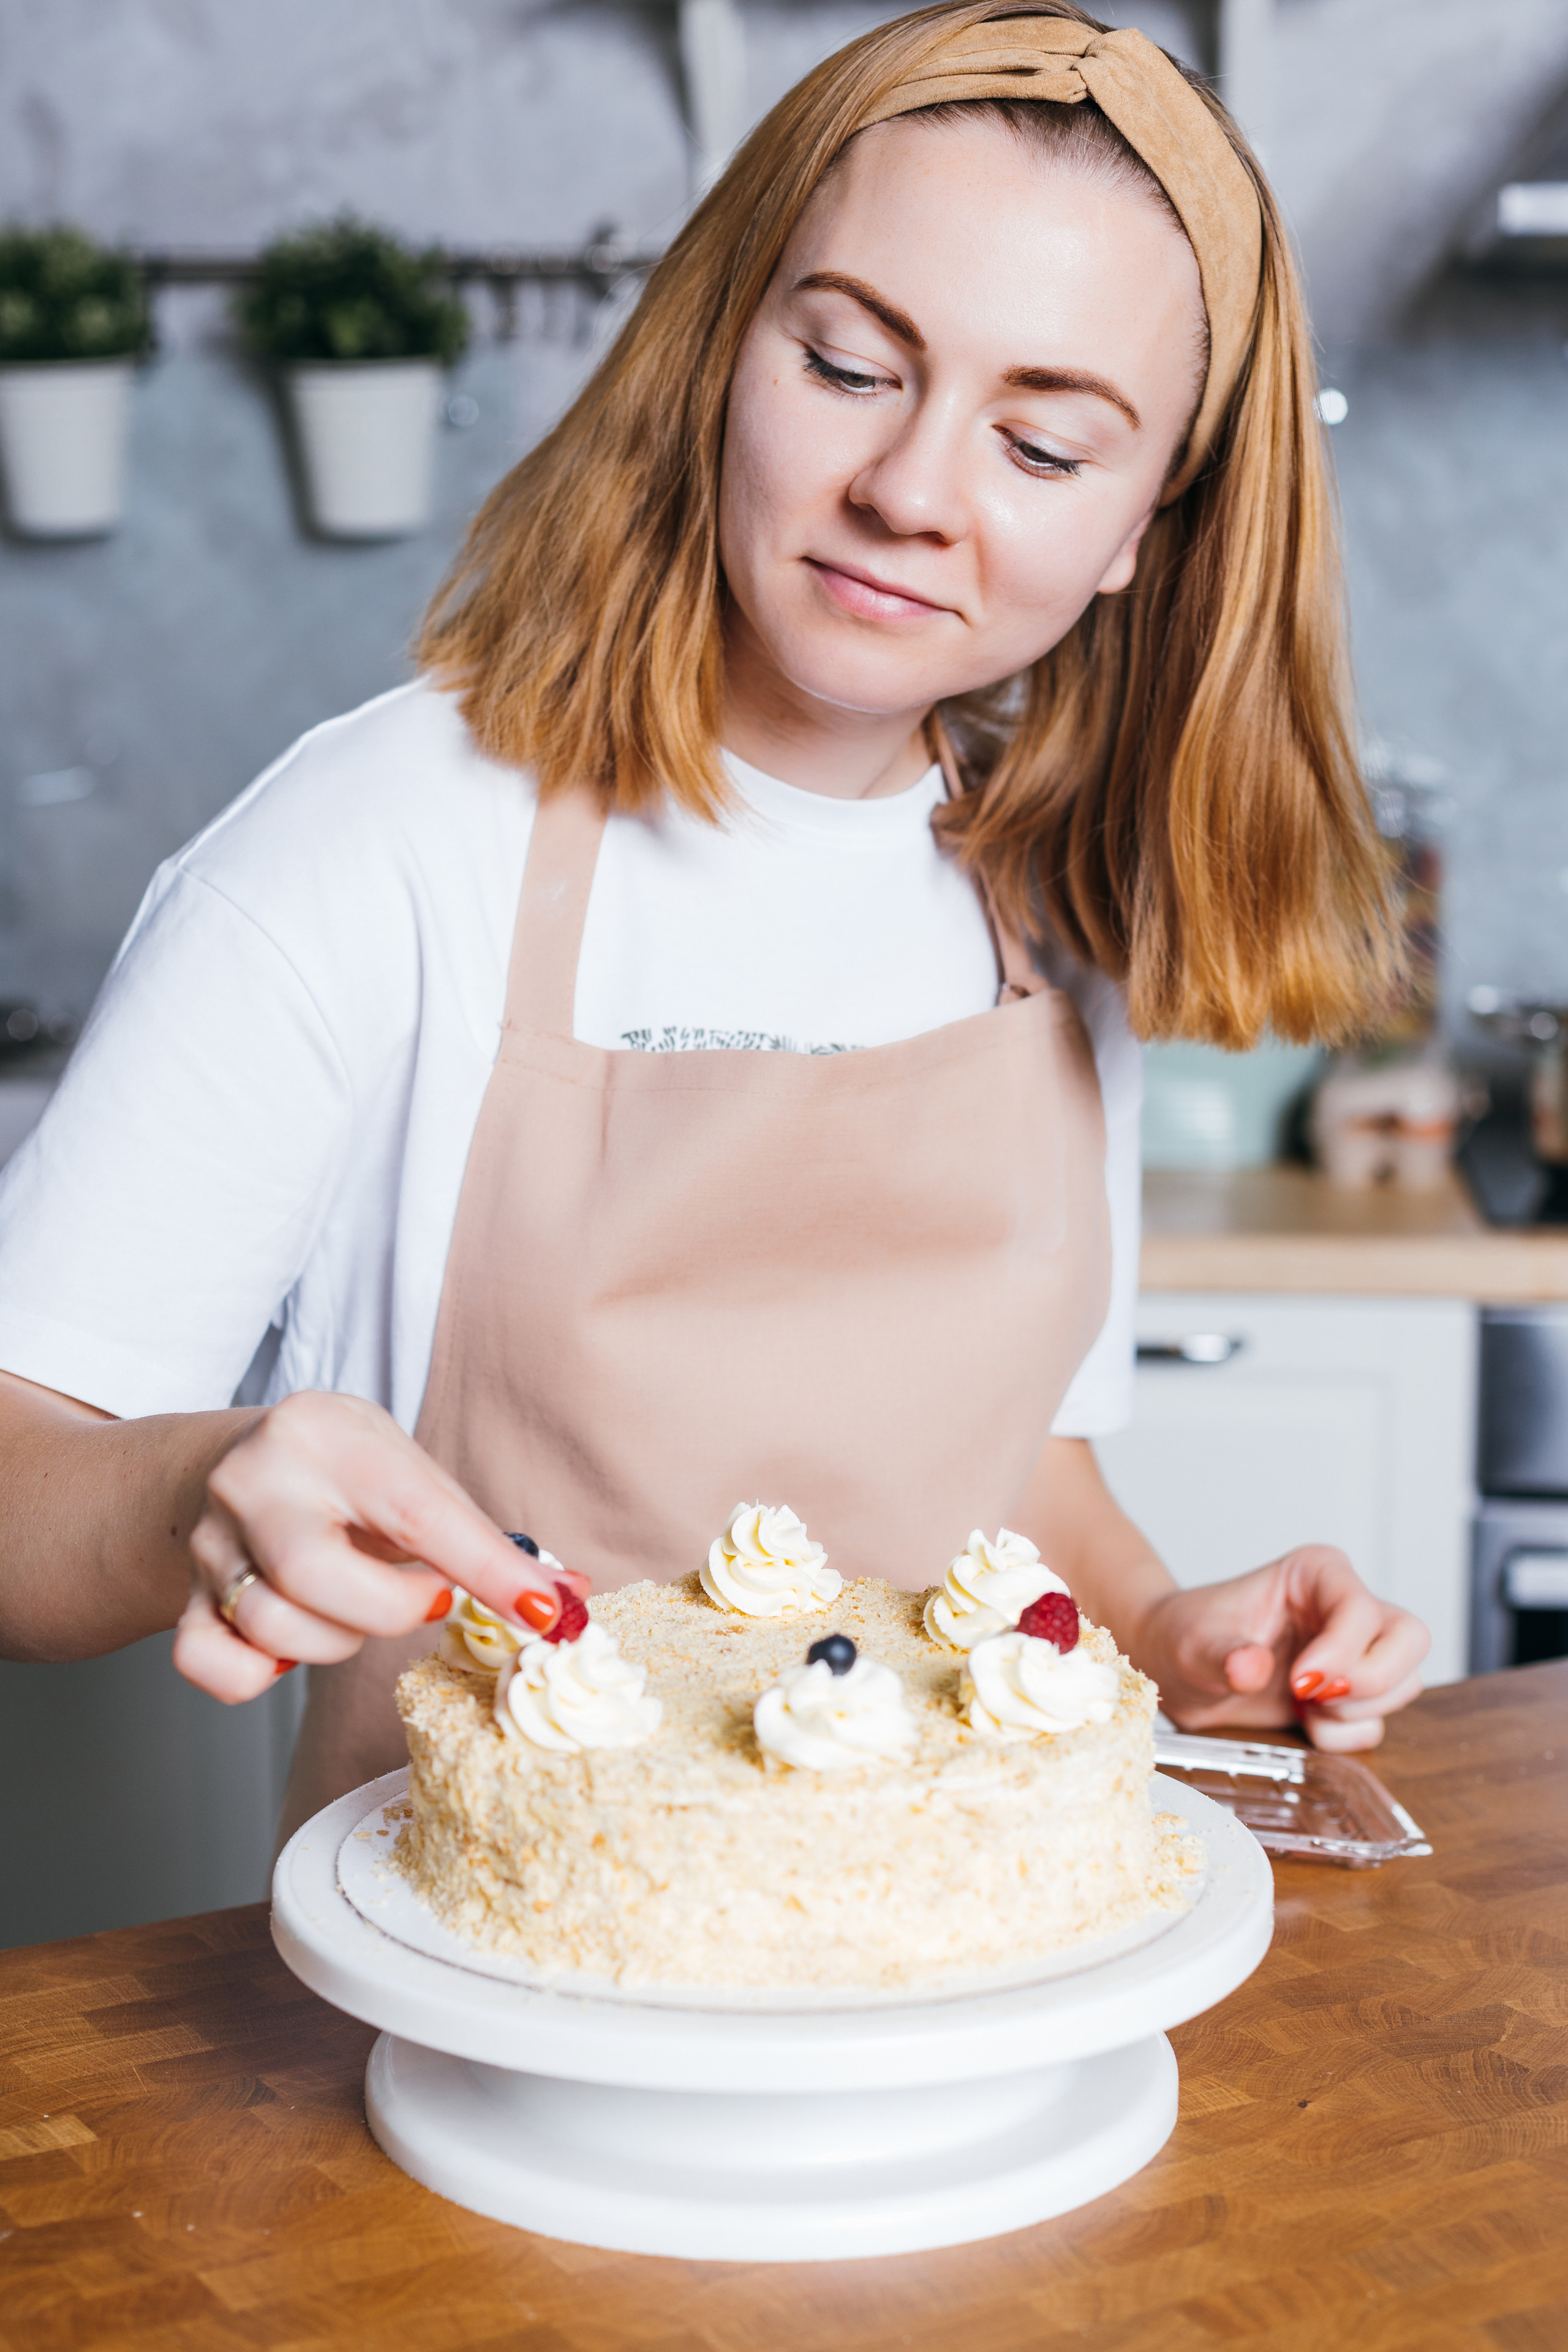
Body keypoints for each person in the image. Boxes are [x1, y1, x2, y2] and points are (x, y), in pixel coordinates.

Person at [0, 2, 1429, 1843]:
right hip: (485, 1983)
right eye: (848, 364)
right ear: (722, 347)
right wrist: (201, 1487)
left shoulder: (1049, 906)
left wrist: (1162, 1629)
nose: (910, 493)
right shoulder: (382, 842)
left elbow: (1011, 1478)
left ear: (1147, 525)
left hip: (957, 1964)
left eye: (1045, 447)